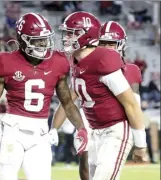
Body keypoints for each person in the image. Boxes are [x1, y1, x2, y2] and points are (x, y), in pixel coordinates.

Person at [0, 13, 88, 180]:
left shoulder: (58, 61)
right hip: (13, 131)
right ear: (21, 40)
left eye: (45, 39)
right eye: (37, 40)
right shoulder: (5, 62)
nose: (43, 44)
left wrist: (82, 128)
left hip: (40, 133)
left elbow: (68, 104)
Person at [51, 12, 147, 180]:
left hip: (115, 130)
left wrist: (140, 144)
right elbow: (67, 102)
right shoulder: (75, 61)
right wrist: (53, 129)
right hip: (94, 131)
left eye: (72, 32)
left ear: (87, 35)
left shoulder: (104, 60)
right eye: (67, 32)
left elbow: (132, 105)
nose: (67, 37)